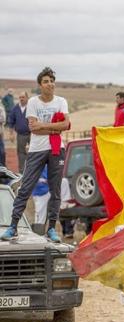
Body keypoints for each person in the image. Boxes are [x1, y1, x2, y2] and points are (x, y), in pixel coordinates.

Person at [1, 67, 71, 242]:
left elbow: (66, 124)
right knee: (25, 188)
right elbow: (33, 128)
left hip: (56, 149)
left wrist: (44, 126)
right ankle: (13, 226)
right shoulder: (33, 102)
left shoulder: (61, 101)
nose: (50, 84)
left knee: (55, 191)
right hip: (36, 149)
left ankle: (51, 229)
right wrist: (54, 128)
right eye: (46, 81)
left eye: (52, 81)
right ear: (40, 85)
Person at [8, 91, 30, 172]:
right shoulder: (15, 108)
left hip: (32, 134)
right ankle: (21, 172)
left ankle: (33, 171)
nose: (21, 99)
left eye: (23, 97)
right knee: (21, 154)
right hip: (21, 135)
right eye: (20, 97)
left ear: (27, 98)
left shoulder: (31, 107)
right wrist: (11, 134)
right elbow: (11, 121)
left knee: (33, 153)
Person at [32, 166, 50, 230]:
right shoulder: (37, 164)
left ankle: (38, 231)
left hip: (42, 191)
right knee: (40, 215)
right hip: (41, 192)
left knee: (40, 214)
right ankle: (38, 232)